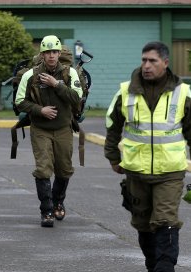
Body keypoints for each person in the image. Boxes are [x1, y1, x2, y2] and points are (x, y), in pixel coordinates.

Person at [104, 41, 191, 272]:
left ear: (165, 63)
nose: (146, 65)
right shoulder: (126, 90)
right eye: (144, 60)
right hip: (136, 171)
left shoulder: (182, 93)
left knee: (166, 221)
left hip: (170, 172)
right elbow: (112, 124)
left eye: (152, 61)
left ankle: (165, 267)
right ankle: (153, 265)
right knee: (142, 225)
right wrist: (113, 156)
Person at [15, 35, 83, 227]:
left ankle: (58, 201)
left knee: (64, 170)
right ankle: (46, 211)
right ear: (42, 54)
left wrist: (57, 85)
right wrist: (39, 110)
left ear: (59, 53)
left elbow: (77, 98)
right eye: (47, 52)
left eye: (54, 52)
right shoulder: (31, 75)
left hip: (63, 129)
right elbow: (19, 101)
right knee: (43, 170)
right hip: (41, 129)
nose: (51, 56)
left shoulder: (70, 74)